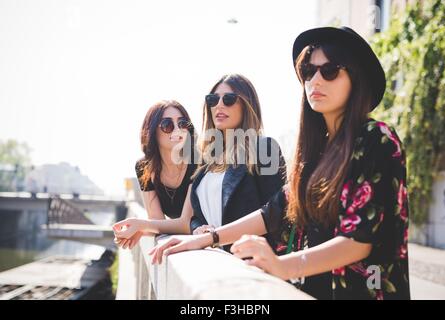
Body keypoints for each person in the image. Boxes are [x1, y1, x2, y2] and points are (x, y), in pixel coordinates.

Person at [148, 27, 410, 300]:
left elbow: (358, 241)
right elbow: (274, 211)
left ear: (355, 80)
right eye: (308, 71)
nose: (315, 80)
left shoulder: (376, 138)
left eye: (329, 71)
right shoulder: (317, 150)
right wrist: (207, 238)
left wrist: (282, 265)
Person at [113, 74, 286, 253]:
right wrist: (198, 230)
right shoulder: (209, 157)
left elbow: (276, 213)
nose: (219, 105)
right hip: (215, 259)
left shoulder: (265, 148)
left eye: (228, 99)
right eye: (213, 100)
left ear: (247, 104)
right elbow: (197, 216)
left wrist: (212, 237)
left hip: (250, 263)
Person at [114, 100, 196, 250]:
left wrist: (142, 226)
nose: (177, 130)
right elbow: (157, 220)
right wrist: (144, 228)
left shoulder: (197, 161)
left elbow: (185, 224)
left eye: (183, 124)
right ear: (152, 131)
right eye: (167, 125)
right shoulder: (144, 168)